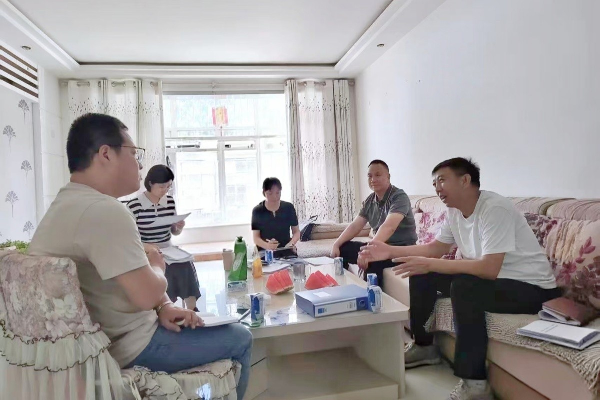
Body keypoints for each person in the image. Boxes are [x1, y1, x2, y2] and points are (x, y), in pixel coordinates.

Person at [28, 113, 252, 398]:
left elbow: (127, 285)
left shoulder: (63, 205)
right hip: (130, 346)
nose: (140, 164)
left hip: (92, 348)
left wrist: (164, 306)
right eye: (134, 154)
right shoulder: (104, 211)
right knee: (241, 338)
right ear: (106, 154)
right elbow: (147, 294)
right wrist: (158, 267)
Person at [360, 157, 560, 400]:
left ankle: (475, 384)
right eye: (434, 183)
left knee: (464, 288)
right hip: (496, 280)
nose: (437, 188)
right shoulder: (454, 211)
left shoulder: (494, 208)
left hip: (532, 288)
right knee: (421, 272)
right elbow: (435, 249)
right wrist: (389, 251)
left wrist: (432, 263)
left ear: (465, 180)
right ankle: (424, 347)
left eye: (442, 180)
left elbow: (489, 268)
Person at [330, 159, 417, 286]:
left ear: (388, 177)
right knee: (343, 249)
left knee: (373, 260)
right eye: (369, 176)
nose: (373, 179)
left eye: (378, 175)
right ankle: (343, 287)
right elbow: (355, 226)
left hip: (400, 249)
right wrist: (336, 244)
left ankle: (372, 296)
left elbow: (389, 227)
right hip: (379, 246)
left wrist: (368, 251)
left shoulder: (399, 197)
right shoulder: (370, 200)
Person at [126, 165, 201, 311]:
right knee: (164, 267)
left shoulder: (169, 202)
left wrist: (178, 227)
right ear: (150, 183)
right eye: (161, 186)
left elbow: (174, 232)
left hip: (167, 247)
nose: (165, 190)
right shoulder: (134, 205)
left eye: (168, 186)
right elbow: (129, 237)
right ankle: (166, 307)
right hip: (145, 249)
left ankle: (192, 309)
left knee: (186, 263)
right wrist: (147, 247)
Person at [251, 177, 300, 258]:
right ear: (264, 193)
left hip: (286, 249)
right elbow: (256, 238)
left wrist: (291, 243)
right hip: (265, 251)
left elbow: (296, 232)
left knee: (294, 264)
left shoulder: (289, 207)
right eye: (270, 193)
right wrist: (267, 246)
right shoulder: (257, 211)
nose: (274, 197)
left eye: (277, 193)